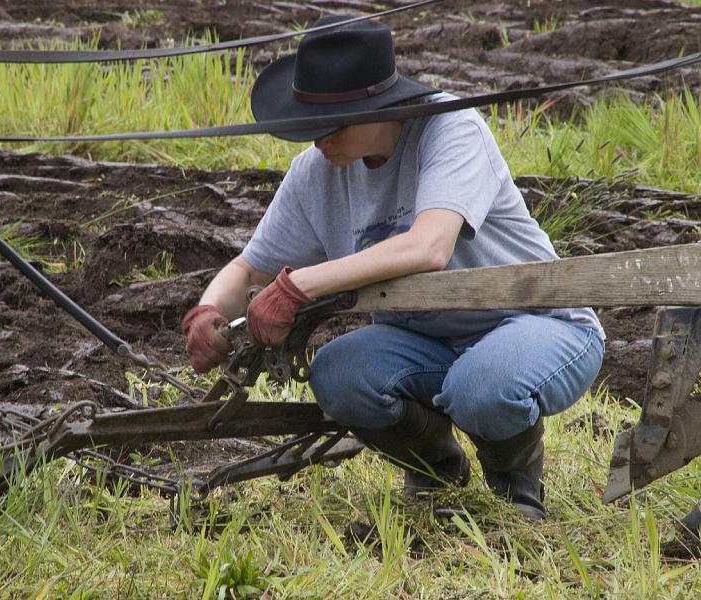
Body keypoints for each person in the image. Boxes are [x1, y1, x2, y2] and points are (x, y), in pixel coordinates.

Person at [181, 16, 605, 520]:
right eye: (307, 126)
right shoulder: (316, 173)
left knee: (481, 388)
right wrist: (209, 310)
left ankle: (516, 493)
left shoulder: (451, 128)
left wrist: (299, 287)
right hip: (428, 343)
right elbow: (250, 268)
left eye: (329, 127)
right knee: (341, 375)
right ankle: (436, 473)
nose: (317, 141)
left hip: (537, 320)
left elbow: (428, 247)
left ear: (374, 109)